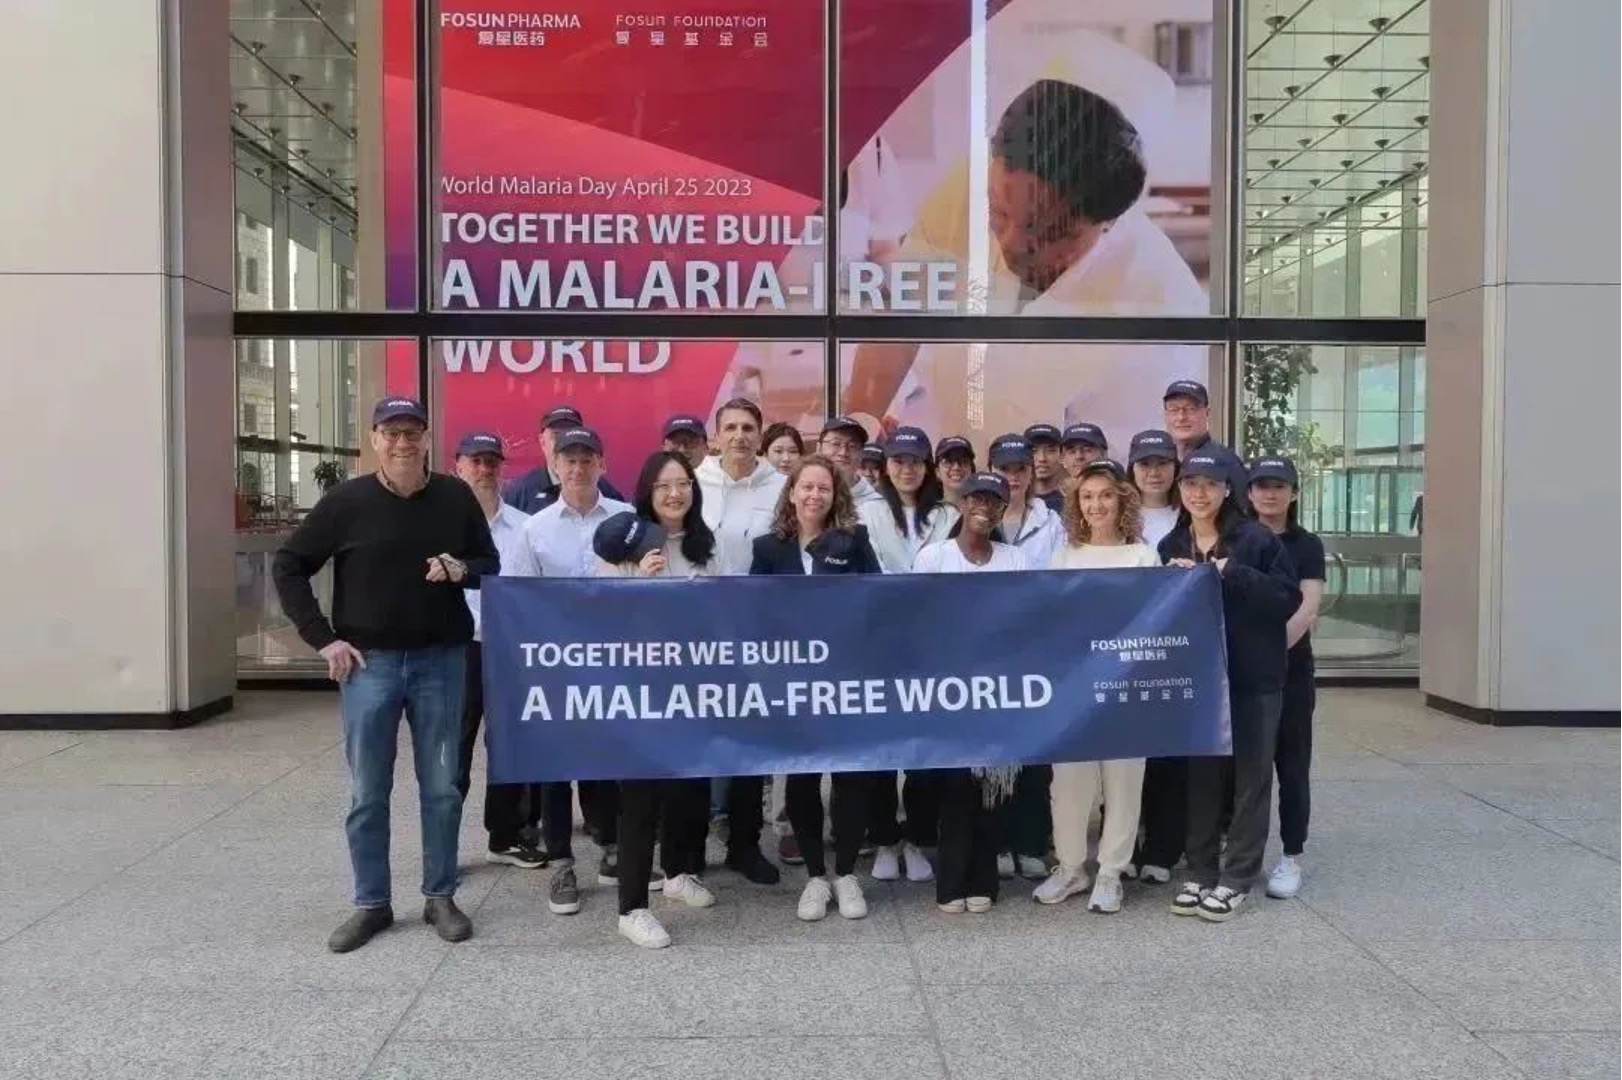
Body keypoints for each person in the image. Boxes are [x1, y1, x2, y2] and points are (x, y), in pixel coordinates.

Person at [842, 70, 1208, 441]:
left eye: (1045, 231)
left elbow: (1115, 468)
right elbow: (900, 317)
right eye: (999, 214)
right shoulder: (971, 187)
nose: (1012, 244)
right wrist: (860, 428)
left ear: (1107, 222)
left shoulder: (1158, 306)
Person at [272, 396, 498, 953]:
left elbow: (488, 563)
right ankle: (371, 903)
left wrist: (460, 568)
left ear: (426, 439)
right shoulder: (346, 502)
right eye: (391, 433)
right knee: (369, 791)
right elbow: (289, 565)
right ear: (374, 439)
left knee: (442, 787)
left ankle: (440, 895)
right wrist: (323, 638)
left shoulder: (454, 496)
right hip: (368, 665)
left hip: (441, 662)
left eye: (412, 433)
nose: (402, 443)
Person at [592, 452, 730, 948]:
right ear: (647, 493)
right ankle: (632, 907)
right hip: (641, 692)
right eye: (664, 486)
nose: (675, 494)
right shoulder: (624, 546)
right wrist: (642, 583)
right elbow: (600, 618)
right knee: (641, 796)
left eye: (683, 483)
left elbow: (727, 608)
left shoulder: (706, 544)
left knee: (689, 788)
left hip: (694, 686)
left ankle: (677, 871)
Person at [1160, 452, 1301, 923]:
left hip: (1254, 678)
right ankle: (1200, 870)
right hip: (1200, 679)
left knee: (1251, 779)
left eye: (1209, 484)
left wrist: (1232, 572)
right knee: (1202, 778)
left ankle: (1238, 876)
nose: (1198, 493)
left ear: (1226, 490)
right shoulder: (1171, 542)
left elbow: (1287, 598)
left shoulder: (1256, 539)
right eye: (1190, 484)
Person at [749, 455, 884, 922]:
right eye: (806, 487)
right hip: (794, 683)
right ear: (791, 493)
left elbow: (877, 600)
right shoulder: (769, 549)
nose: (814, 495)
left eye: (823, 488)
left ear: (835, 495)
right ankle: (815, 877)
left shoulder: (855, 540)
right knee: (802, 778)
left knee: (851, 777)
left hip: (847, 678)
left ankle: (845, 873)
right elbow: (753, 611)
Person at [511, 426, 634, 920]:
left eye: (587, 459)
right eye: (570, 460)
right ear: (555, 466)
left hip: (614, 662)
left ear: (602, 464)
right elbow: (518, 599)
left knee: (608, 757)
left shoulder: (627, 518)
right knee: (556, 767)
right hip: (555, 665)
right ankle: (561, 860)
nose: (578, 468)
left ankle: (611, 846)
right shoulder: (534, 529)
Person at [1036, 459, 1160, 913]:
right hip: (1075, 689)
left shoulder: (1143, 556)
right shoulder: (1064, 557)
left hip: (1126, 686)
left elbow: (1154, 619)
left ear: (1122, 500)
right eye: (1087, 497)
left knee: (1124, 781)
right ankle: (1071, 867)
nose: (1096, 505)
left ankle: (1111, 872)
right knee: (1068, 782)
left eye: (1106, 495)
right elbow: (1052, 623)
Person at [914, 472, 1031, 913]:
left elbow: (1026, 620)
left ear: (1002, 510)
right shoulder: (933, 558)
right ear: (962, 504)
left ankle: (984, 880)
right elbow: (919, 622)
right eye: (976, 499)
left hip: (999, 688)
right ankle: (951, 882)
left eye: (994, 501)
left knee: (992, 788)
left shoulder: (1015, 559)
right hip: (949, 689)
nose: (984, 508)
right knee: (956, 788)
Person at [693, 398, 786, 885]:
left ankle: (745, 845)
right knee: (699, 736)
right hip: (701, 629)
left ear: (760, 434)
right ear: (716, 435)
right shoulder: (694, 482)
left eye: (748, 427)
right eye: (730, 427)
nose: (739, 436)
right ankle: (688, 847)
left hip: (759, 629)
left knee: (751, 742)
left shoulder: (781, 486)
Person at [857, 426, 956, 883]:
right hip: (879, 642)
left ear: (927, 466)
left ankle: (916, 836)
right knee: (880, 748)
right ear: (886, 466)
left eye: (915, 461)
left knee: (923, 750)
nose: (907, 469)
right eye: (899, 460)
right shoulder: (867, 511)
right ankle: (884, 838)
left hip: (934, 644)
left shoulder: (948, 513)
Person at [449, 431, 547, 871]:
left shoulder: (525, 527)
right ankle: (444, 844)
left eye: (492, 461)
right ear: (458, 466)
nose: (484, 470)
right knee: (454, 748)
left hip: (509, 651)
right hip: (458, 649)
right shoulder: (442, 526)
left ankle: (505, 837)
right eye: (476, 461)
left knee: (510, 746)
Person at [1246, 456, 1326, 901]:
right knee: (1244, 766)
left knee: (1291, 764)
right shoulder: (1238, 537)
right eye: (1261, 485)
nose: (1270, 494)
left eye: (1279, 486)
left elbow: (1307, 607)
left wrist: (1269, 652)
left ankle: (1291, 854)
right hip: (1244, 671)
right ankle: (1241, 851)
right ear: (1249, 492)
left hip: (1290, 667)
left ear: (1294, 493)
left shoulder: (1306, 544)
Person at [1126, 427, 1185, 884]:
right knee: (1126, 759)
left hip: (1176, 651)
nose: (1153, 471)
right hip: (1124, 652)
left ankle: (1162, 850)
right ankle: (1126, 846)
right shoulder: (1119, 516)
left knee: (1169, 757)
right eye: (1145, 463)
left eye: (1162, 463)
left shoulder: (1190, 514)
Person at [503, 404, 626, 513]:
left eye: (570, 434)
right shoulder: (519, 492)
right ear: (542, 442)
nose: (563, 442)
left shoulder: (606, 492)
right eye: (556, 435)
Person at [987, 433, 1063, 573]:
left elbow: (1060, 577)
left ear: (1032, 472)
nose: (1013, 477)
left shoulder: (1052, 523)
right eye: (1004, 469)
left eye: (1021, 468)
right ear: (990, 470)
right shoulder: (975, 521)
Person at [1162, 381, 1247, 491]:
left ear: (1207, 413)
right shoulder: (1161, 462)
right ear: (1165, 415)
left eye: (1191, 409)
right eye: (1174, 409)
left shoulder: (1226, 462)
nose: (1181, 417)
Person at [818, 415, 885, 506]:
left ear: (861, 453)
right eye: (836, 443)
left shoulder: (877, 504)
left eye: (852, 446)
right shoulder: (804, 495)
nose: (843, 453)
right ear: (819, 449)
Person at [1024, 423, 1066, 512]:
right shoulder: (1013, 502)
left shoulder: (1073, 503)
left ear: (1062, 456)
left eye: (1050, 451)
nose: (1042, 458)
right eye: (1034, 451)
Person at [935, 435, 976, 506]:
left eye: (963, 461)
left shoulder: (983, 510)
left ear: (972, 470)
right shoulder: (927, 511)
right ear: (937, 471)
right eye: (948, 461)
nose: (956, 467)